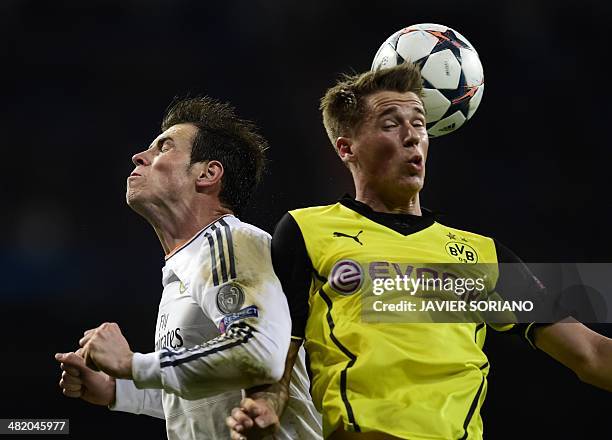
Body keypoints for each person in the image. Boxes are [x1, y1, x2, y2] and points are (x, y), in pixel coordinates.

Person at [226, 63, 612, 440]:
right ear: (347, 148)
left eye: (420, 123)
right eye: (391, 124)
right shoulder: (306, 231)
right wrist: (264, 406)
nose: (412, 137)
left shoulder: (482, 255)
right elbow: (276, 360)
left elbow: (590, 355)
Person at [55, 96, 322, 439]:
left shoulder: (229, 241)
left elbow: (259, 352)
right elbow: (214, 388)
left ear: (208, 174)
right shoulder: (186, 266)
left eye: (163, 148)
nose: (140, 156)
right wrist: (119, 390)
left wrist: (132, 364)